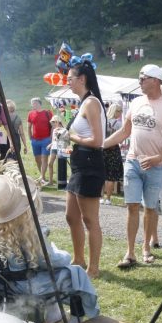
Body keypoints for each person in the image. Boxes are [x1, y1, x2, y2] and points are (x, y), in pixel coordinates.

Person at [0, 172, 99, 323]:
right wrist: (65, 255)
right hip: (31, 286)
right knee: (75, 274)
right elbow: (52, 260)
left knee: (46, 274)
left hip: (6, 284)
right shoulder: (31, 234)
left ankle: (54, 315)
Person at [104, 64, 162, 269]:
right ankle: (130, 252)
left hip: (156, 166)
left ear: (155, 80)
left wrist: (157, 158)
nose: (139, 81)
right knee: (131, 206)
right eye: (139, 77)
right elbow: (124, 131)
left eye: (143, 77)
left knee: (150, 208)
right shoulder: (136, 102)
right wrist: (101, 144)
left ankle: (146, 248)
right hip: (133, 161)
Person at [64, 56, 106, 277]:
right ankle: (78, 258)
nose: (67, 82)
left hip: (90, 164)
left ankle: (94, 267)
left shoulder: (91, 103)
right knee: (71, 215)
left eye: (70, 78)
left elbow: (97, 141)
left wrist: (72, 136)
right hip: (80, 164)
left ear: (81, 79)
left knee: (90, 219)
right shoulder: (83, 102)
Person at [101, 103, 124, 205]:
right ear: (116, 111)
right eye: (119, 111)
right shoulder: (119, 124)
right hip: (114, 150)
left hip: (103, 148)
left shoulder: (104, 122)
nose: (121, 113)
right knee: (111, 176)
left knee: (102, 174)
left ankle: (101, 197)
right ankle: (108, 198)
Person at [27, 97, 54, 185]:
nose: (33, 105)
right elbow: (29, 126)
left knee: (44, 158)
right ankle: (42, 175)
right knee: (37, 160)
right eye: (32, 103)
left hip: (46, 139)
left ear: (39, 103)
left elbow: (53, 126)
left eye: (34, 103)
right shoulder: (30, 114)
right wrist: (30, 136)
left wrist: (51, 137)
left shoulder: (48, 113)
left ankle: (42, 177)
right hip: (35, 140)